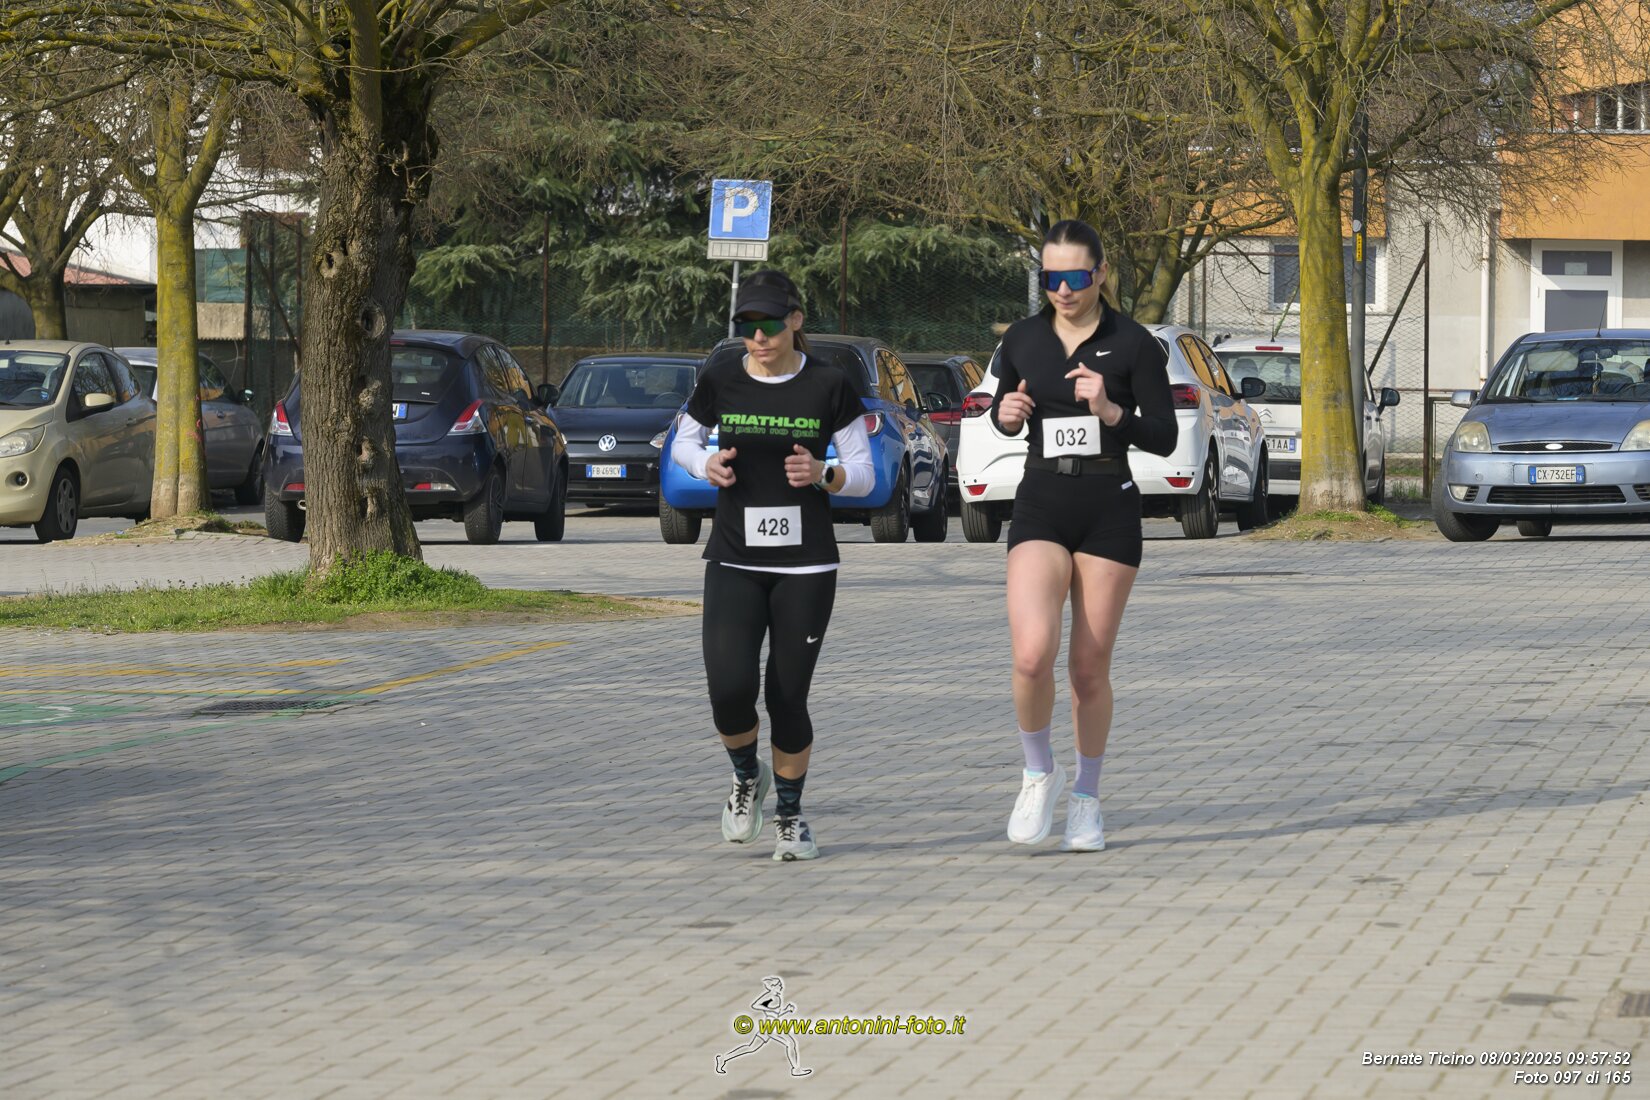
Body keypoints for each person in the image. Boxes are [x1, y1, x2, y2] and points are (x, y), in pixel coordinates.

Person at [671, 270, 874, 862]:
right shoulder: (721, 377)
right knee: (729, 690)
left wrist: (824, 474)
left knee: (786, 696)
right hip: (733, 558)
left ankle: (790, 817)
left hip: (805, 567)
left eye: (769, 325)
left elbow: (865, 475)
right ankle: (746, 775)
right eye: (746, 326)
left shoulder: (830, 384)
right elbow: (682, 441)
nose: (757, 337)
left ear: (795, 320)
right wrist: (704, 465)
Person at [991, 220, 1178, 852]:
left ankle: (1087, 797)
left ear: (1100, 273)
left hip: (1108, 508)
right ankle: (1037, 772)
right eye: (1051, 278)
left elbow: (1164, 436)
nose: (1063, 290)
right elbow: (1005, 413)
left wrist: (1111, 410)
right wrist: (1005, 416)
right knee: (1030, 654)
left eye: (1075, 277)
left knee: (1088, 670)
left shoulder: (1134, 343)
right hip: (1042, 502)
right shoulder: (1022, 339)